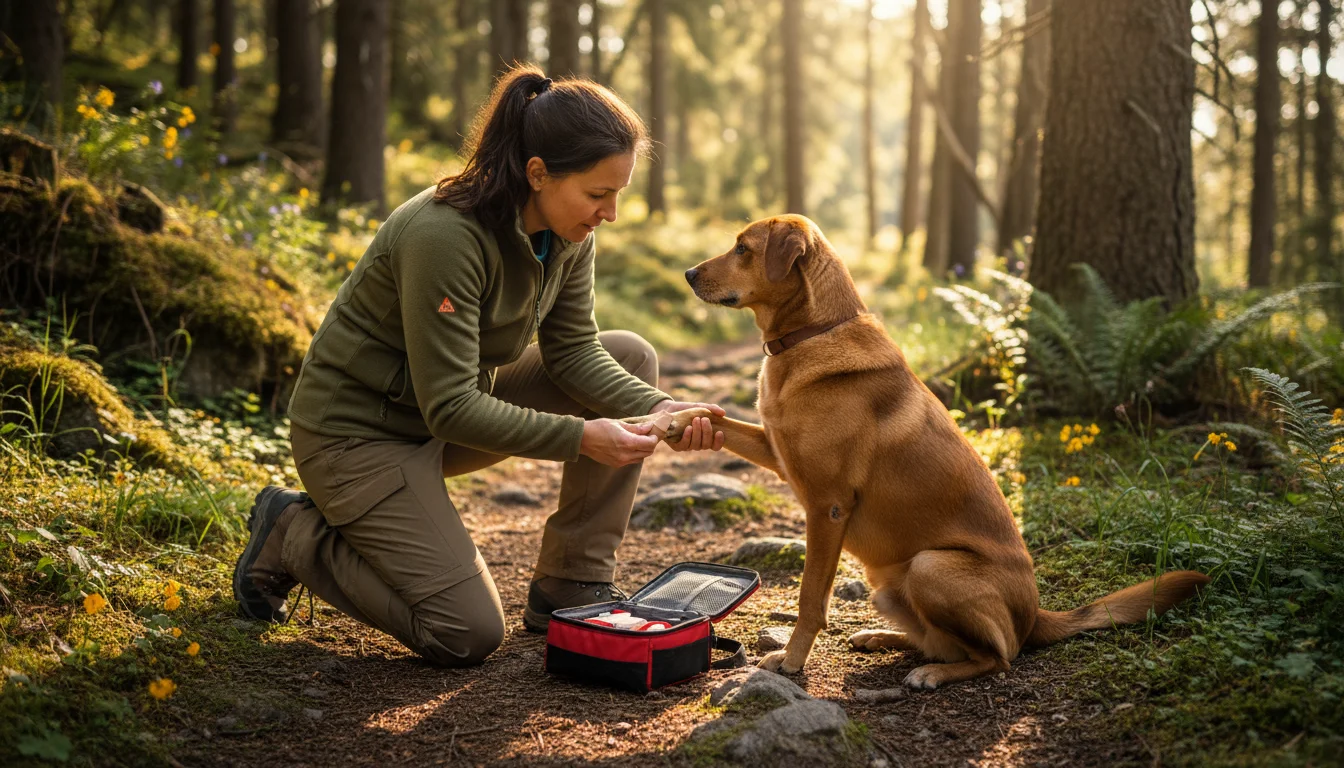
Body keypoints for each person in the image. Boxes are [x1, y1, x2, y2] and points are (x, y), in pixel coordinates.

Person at [231, 64, 726, 667]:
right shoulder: (444, 236)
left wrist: (657, 409)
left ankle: (571, 581)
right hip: (358, 437)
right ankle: (293, 534)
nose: (611, 213)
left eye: (617, 192)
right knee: (463, 633)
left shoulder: (568, 235)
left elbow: (573, 349)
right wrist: (580, 438)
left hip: (440, 425)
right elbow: (450, 406)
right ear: (537, 173)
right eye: (598, 194)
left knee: (632, 358)